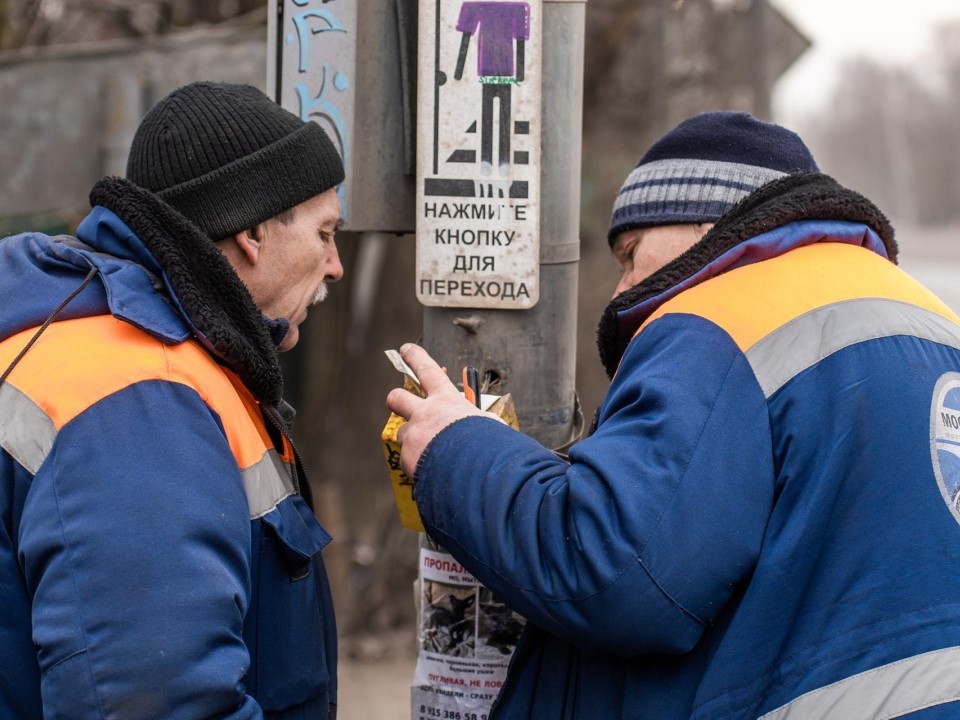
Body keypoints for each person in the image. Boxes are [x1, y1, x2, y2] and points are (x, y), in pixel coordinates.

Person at [387, 111, 960, 718]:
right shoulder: (932, 323)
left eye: (631, 254)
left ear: (706, 222)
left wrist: (455, 450)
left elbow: (613, 572)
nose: (621, 291)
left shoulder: (727, 314)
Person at [0, 82, 345, 719]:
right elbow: (156, 701)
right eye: (325, 234)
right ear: (253, 233)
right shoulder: (138, 396)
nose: (335, 267)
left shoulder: (94, 333)